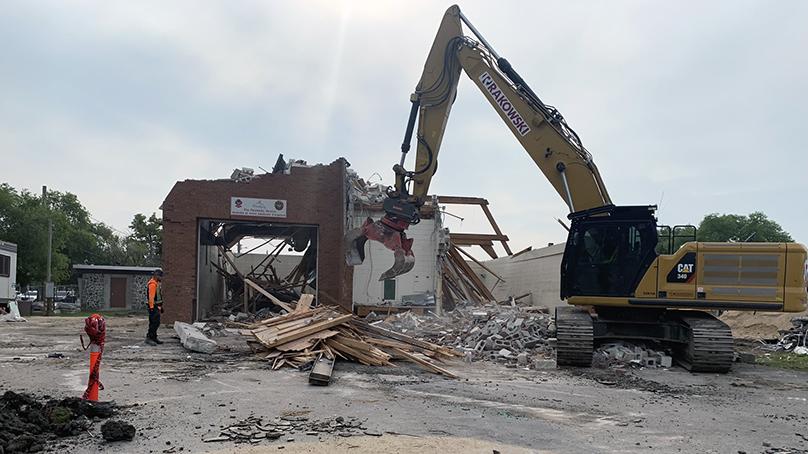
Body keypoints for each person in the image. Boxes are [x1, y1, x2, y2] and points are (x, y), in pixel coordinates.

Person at [146, 269, 164, 345]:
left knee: (156, 323)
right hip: (153, 307)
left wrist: (161, 306)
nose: (161, 278)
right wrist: (151, 307)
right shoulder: (152, 284)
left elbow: (158, 297)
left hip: (157, 306)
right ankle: (149, 338)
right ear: (156, 276)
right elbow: (151, 297)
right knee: (154, 323)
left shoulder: (157, 283)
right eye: (160, 276)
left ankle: (154, 337)